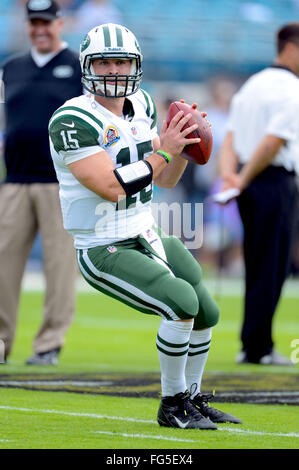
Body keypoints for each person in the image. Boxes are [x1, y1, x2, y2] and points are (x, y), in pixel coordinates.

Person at [49, 23, 241, 429]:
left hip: (146, 230)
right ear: (87, 66)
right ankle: (171, 405)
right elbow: (110, 187)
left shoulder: (143, 104)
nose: (114, 70)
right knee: (180, 302)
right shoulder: (72, 119)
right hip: (103, 244)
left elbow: (165, 177)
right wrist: (165, 153)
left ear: (135, 64)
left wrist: (184, 149)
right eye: (104, 62)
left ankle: (191, 396)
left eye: (121, 61)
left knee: (205, 309)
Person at [0, 0, 83, 365]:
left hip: (59, 182)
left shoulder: (77, 67)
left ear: (60, 23)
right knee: (4, 264)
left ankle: (49, 344)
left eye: (47, 22)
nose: (40, 29)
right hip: (15, 181)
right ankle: (1, 341)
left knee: (59, 265)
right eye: (34, 22)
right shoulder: (12, 67)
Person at [219, 22, 299, 365]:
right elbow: (272, 143)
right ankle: (258, 347)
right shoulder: (291, 89)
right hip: (271, 179)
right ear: (292, 48)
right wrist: (245, 176)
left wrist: (231, 176)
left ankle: (252, 342)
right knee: (273, 263)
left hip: (248, 183)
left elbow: (231, 137)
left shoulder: (251, 85)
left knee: (257, 261)